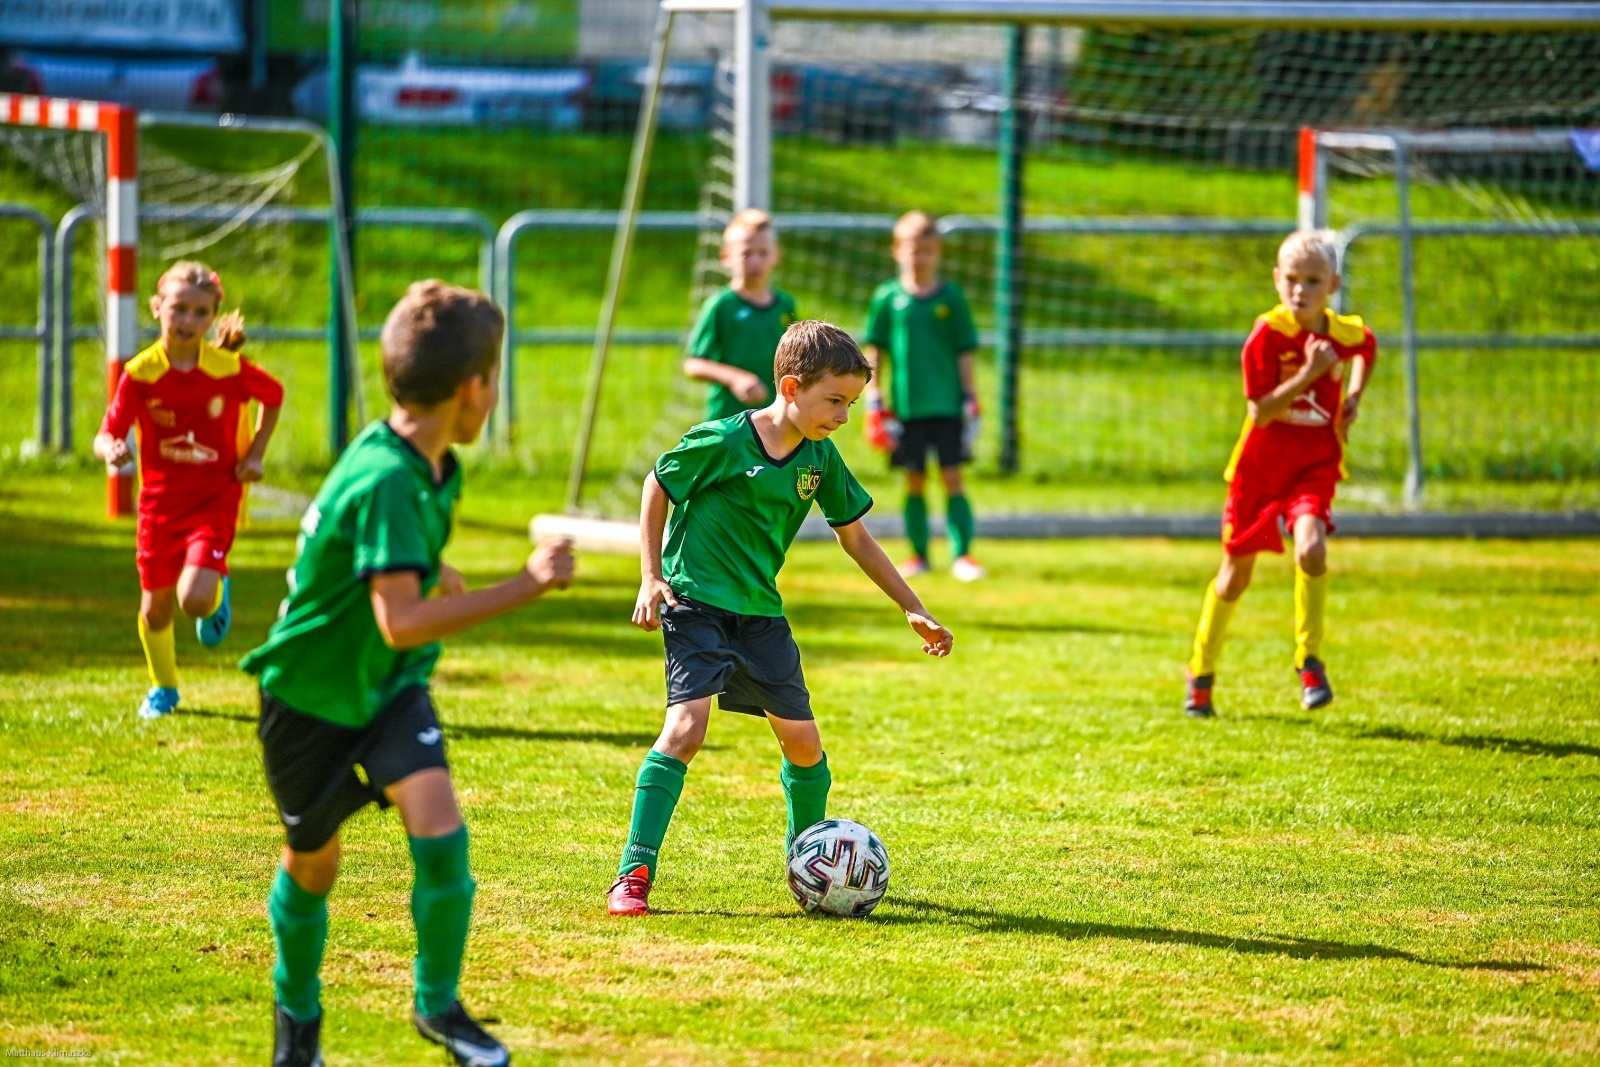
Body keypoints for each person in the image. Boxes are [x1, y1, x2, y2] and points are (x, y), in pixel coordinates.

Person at [240, 281, 576, 1067]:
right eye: (494, 377)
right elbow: (399, 616)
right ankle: (297, 1027)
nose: (495, 391)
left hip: (389, 686)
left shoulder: (423, 460)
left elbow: (384, 576)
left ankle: (438, 1005)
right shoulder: (392, 476)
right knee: (313, 866)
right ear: (473, 388)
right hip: (309, 698)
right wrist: (525, 583)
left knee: (441, 832)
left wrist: (434, 565)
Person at [609, 319, 953, 917]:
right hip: (696, 604)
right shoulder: (723, 440)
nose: (843, 417)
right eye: (835, 402)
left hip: (761, 615)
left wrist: (913, 608)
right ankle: (633, 873)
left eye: (850, 404)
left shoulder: (819, 457)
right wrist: (650, 574)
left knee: (803, 743)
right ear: (791, 388)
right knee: (687, 730)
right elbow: (656, 484)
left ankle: (808, 865)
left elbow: (858, 539)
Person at [1185, 230, 1376, 718]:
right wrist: (1311, 374)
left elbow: (1368, 347)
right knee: (1234, 578)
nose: (1300, 291)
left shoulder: (1340, 332)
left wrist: (1353, 397)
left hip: (1313, 468)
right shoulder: (1265, 336)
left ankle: (1309, 661)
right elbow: (1263, 412)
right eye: (1291, 279)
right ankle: (1201, 671)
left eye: (1312, 281)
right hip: (1258, 473)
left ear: (1332, 285)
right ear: (1276, 279)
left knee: (1312, 548)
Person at [94, 260, 284, 720]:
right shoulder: (141, 373)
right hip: (158, 506)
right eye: (179, 309)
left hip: (215, 498)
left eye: (201, 313)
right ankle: (163, 688)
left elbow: (273, 395)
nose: (189, 321)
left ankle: (215, 589)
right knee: (156, 608)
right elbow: (105, 432)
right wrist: (112, 449)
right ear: (158, 308)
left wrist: (254, 454)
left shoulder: (227, 367)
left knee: (193, 599)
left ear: (213, 318)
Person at [861, 210, 984, 582]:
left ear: (939, 253)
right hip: (906, 408)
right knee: (914, 479)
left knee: (953, 476)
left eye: (929, 250)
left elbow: (964, 350)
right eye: (914, 249)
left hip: (946, 406)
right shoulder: (888, 298)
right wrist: (875, 399)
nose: (921, 257)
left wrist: (970, 397)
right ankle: (918, 554)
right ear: (898, 250)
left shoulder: (952, 298)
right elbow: (876, 350)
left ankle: (963, 555)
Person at [682, 208, 798, 423]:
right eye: (746, 253)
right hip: (730, 419)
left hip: (777, 417)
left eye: (763, 253)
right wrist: (736, 379)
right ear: (727, 256)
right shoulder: (721, 305)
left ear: (776, 255)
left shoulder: (785, 305)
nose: (755, 261)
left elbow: (797, 356)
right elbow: (694, 363)